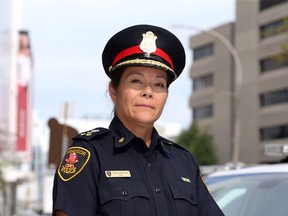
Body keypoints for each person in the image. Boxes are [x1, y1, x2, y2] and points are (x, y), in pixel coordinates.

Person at [52, 24, 224, 216]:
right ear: (114, 91)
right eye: (136, 81)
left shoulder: (184, 162)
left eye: (159, 84)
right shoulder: (90, 156)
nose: (148, 92)